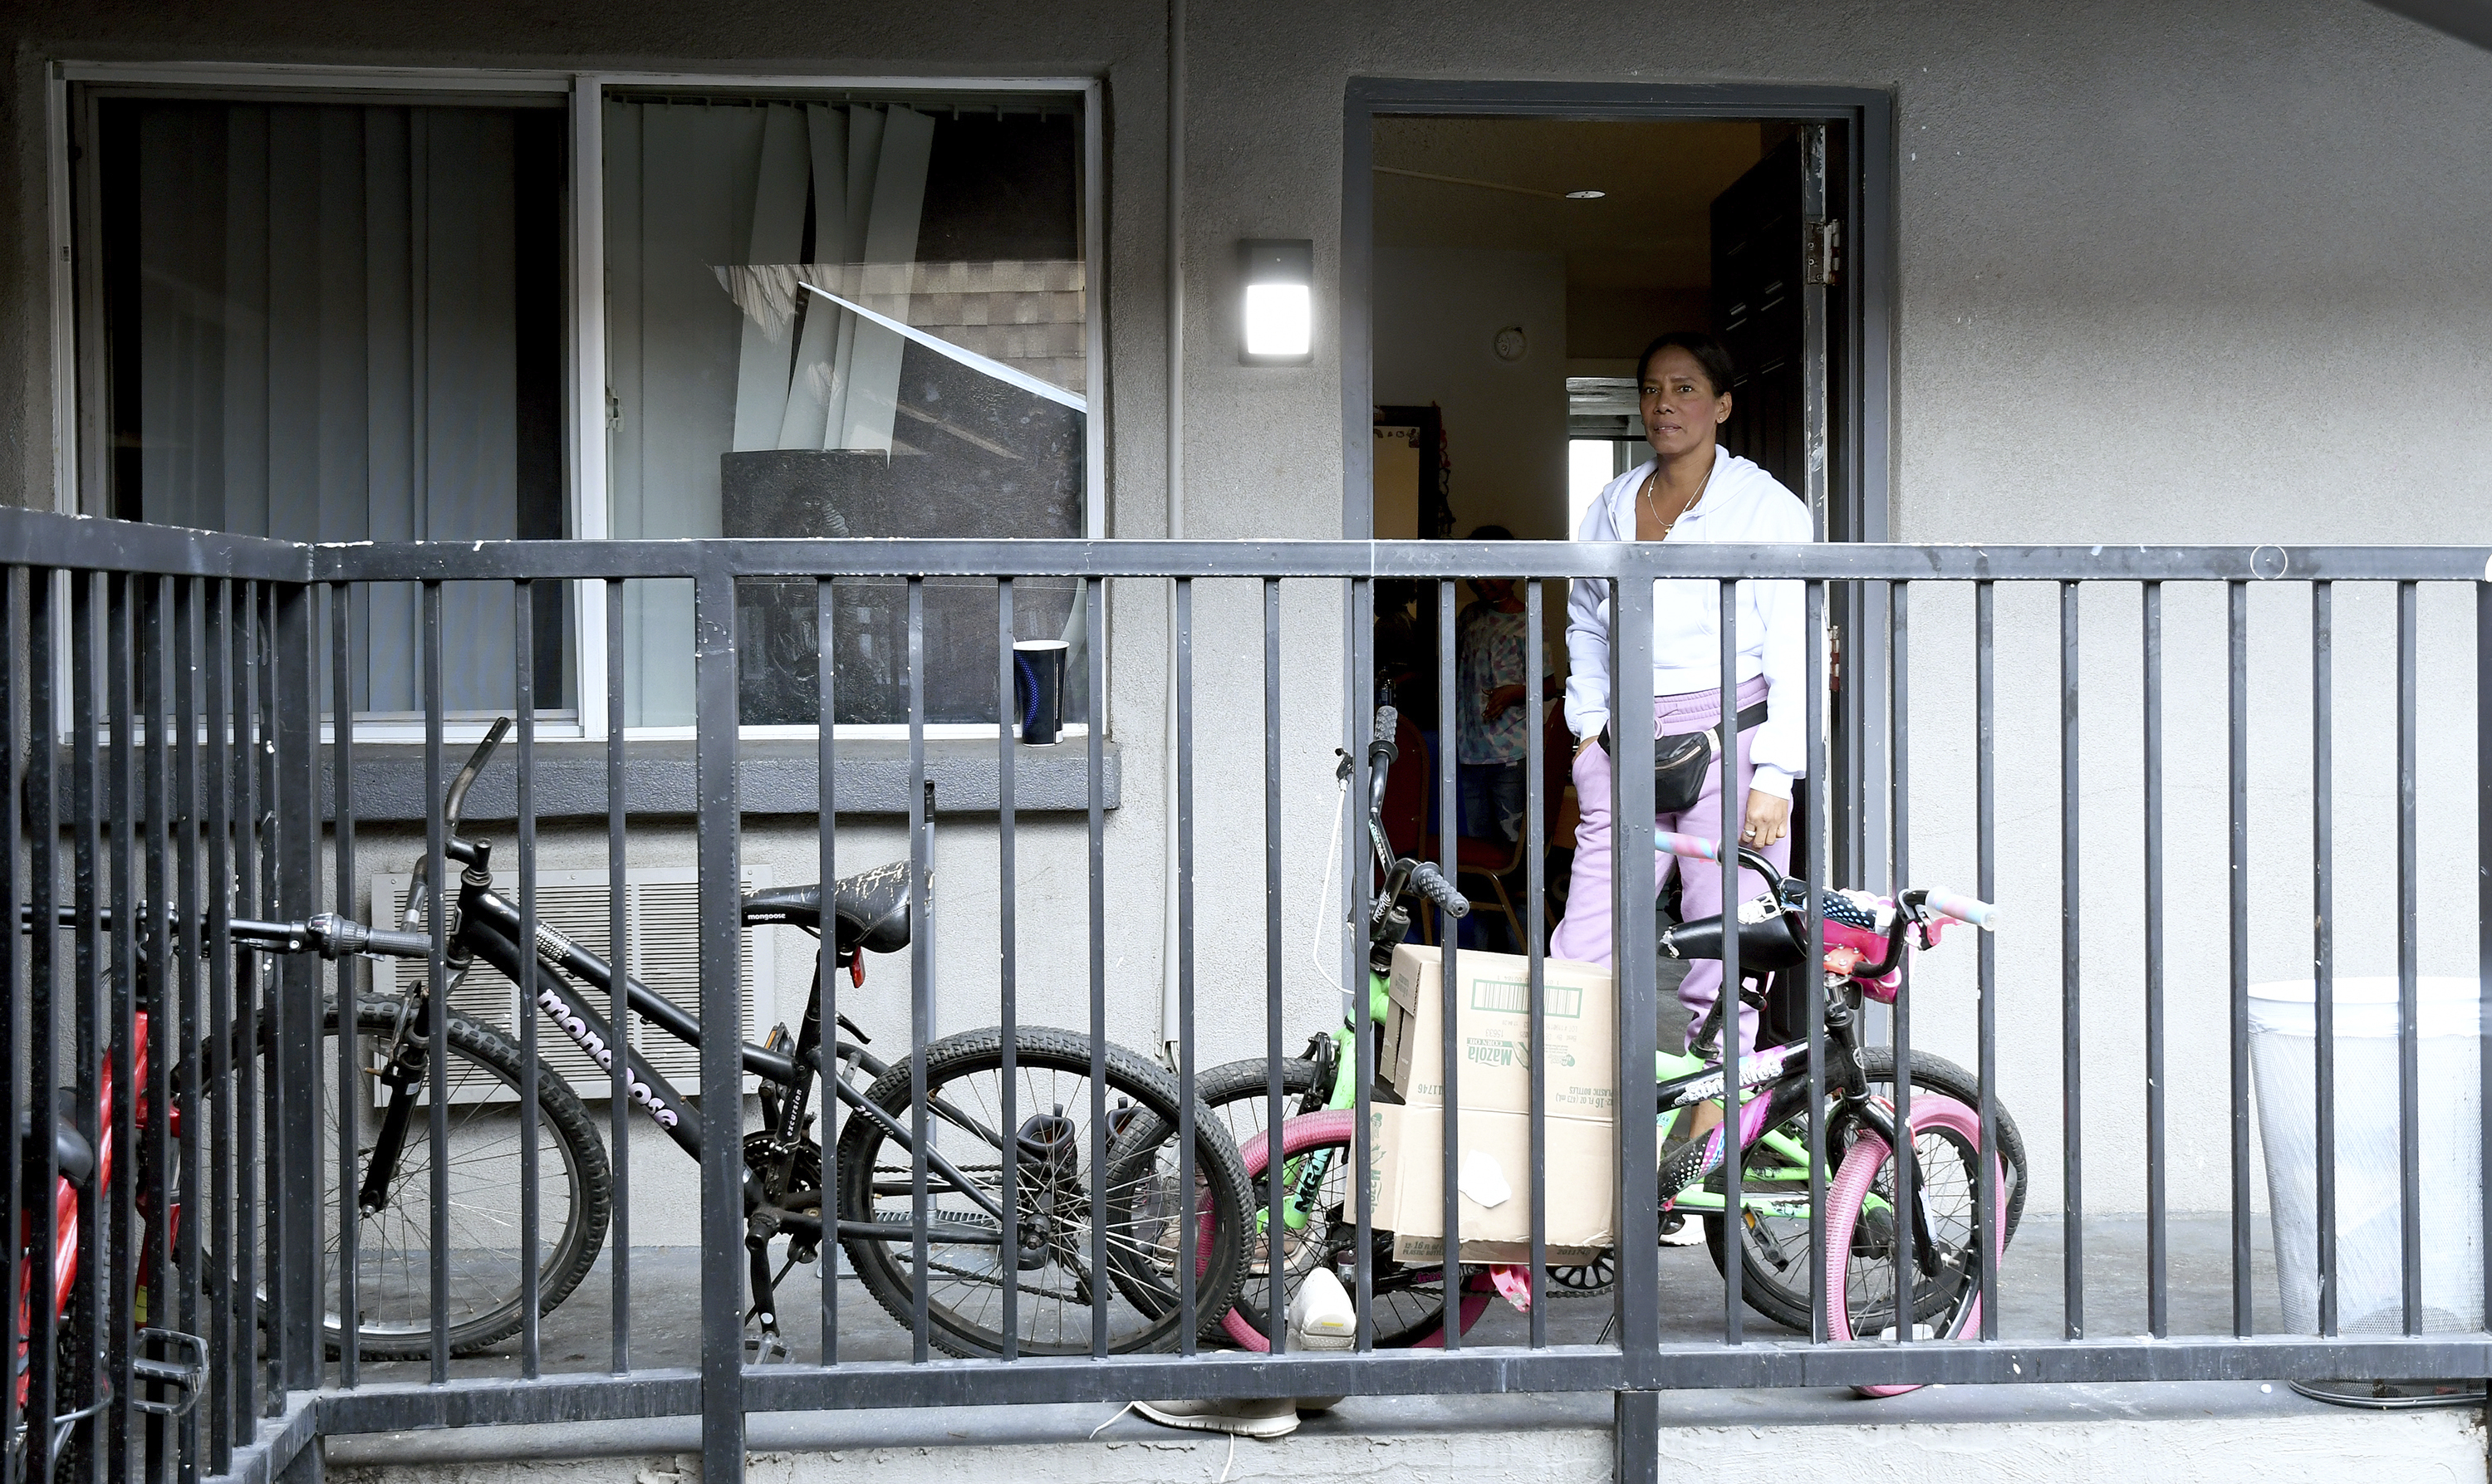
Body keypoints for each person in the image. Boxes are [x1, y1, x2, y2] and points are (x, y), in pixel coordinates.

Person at [1547, 331, 1812, 1145]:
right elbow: (1586, 621)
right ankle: (1572, 1148)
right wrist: (1587, 730)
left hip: (1731, 744)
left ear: (1723, 404)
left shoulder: (1768, 508)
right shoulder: (1610, 502)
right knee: (1582, 951)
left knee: (1722, 956)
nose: (1667, 404)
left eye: (1687, 388)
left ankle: (1701, 1162)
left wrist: (1778, 774)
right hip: (1624, 748)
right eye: (1654, 388)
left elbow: (1794, 640)